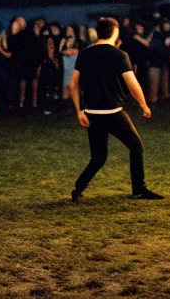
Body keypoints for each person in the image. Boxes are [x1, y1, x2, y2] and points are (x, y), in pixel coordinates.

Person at [69, 17, 162, 201]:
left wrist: (80, 111)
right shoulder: (119, 55)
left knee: (98, 157)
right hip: (113, 113)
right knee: (136, 147)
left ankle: (78, 189)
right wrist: (143, 104)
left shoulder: (84, 54)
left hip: (92, 114)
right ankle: (139, 189)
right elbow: (131, 83)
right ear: (114, 32)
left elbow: (73, 84)